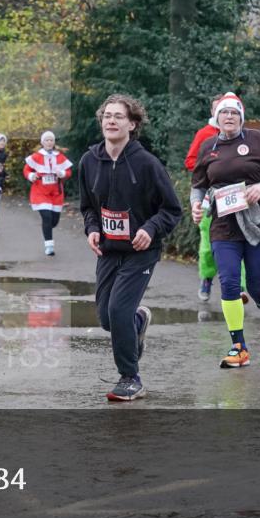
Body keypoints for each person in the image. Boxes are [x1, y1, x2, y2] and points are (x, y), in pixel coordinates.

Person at [80, 94, 182, 401]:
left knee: (118, 309)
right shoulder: (89, 161)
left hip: (141, 251)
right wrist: (93, 229)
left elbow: (171, 210)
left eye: (118, 116)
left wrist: (150, 230)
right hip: (109, 250)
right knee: (107, 319)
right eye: (107, 116)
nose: (110, 121)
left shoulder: (147, 164)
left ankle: (130, 378)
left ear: (132, 124)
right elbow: (87, 207)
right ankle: (138, 321)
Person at [190, 92, 260, 369]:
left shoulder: (257, 139)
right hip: (223, 223)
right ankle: (239, 347)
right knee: (231, 283)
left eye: (234, 113)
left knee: (259, 286)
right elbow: (198, 184)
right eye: (224, 112)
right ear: (217, 118)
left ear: (241, 117)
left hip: (259, 220)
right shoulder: (208, 146)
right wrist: (196, 204)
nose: (229, 117)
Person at [185, 95, 223, 302]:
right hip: (209, 197)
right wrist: (210, 167)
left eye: (227, 109)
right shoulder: (205, 134)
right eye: (219, 109)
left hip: (235, 197)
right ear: (212, 112)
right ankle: (207, 278)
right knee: (208, 244)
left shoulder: (243, 135)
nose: (223, 114)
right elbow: (190, 161)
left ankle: (241, 288)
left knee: (241, 240)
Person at [24, 131, 72, 256]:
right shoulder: (36, 156)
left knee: (54, 221)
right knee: (46, 217)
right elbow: (26, 169)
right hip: (40, 192)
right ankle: (49, 246)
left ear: (54, 142)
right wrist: (31, 175)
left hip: (56, 193)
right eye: (47, 140)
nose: (49, 142)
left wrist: (62, 173)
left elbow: (68, 171)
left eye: (51, 140)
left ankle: (47, 229)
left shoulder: (59, 156)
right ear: (42, 142)